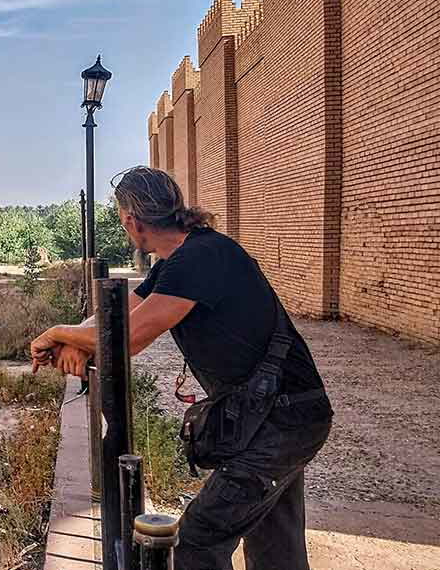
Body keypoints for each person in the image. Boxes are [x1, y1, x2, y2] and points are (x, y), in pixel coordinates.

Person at [29, 166, 333, 570]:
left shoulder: (199, 258)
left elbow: (128, 336)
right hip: (277, 415)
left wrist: (57, 332)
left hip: (282, 420)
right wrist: (74, 343)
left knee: (197, 539)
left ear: (131, 222)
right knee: (275, 545)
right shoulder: (180, 260)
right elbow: (115, 315)